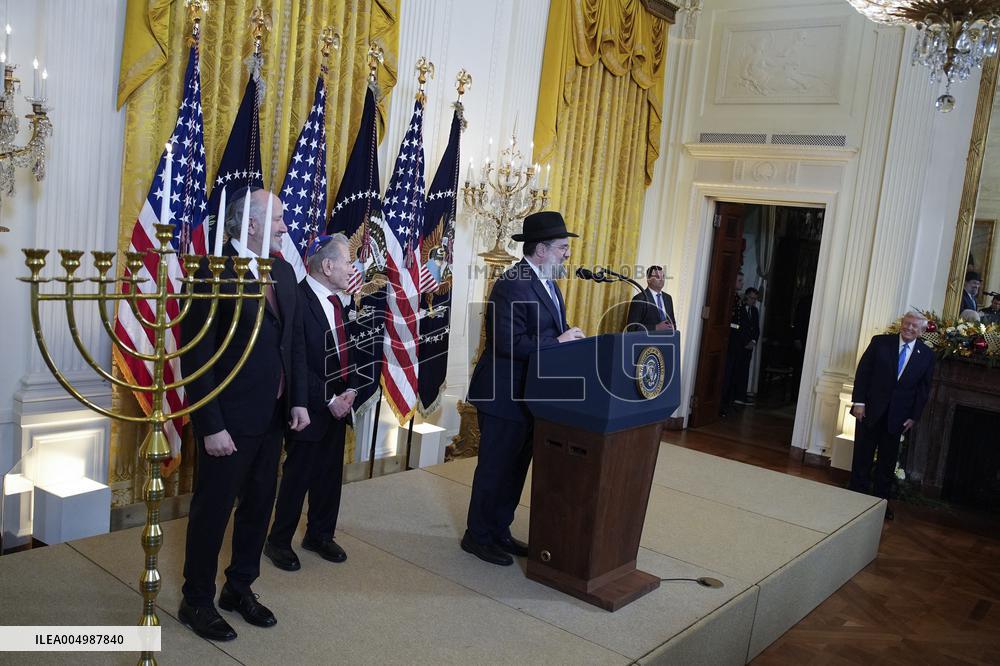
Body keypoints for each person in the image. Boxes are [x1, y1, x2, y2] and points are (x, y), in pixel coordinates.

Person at [179, 187, 309, 641]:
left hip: (273, 417)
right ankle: (196, 600)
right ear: (250, 224)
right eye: (277, 220)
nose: (285, 227)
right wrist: (210, 425)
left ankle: (239, 588)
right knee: (213, 512)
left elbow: (292, 343)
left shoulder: (286, 273)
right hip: (228, 422)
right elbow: (194, 359)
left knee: (258, 508)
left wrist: (297, 400)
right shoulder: (209, 273)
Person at [464, 210, 585, 566]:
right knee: (494, 469)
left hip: (530, 396)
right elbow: (507, 343)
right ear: (542, 249)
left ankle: (499, 530)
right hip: (503, 394)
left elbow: (548, 334)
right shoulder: (512, 283)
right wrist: (558, 342)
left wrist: (564, 340)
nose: (567, 254)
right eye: (563, 247)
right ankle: (478, 536)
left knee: (516, 469)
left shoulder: (549, 283)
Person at [265, 234, 356, 572]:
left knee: (330, 475)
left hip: (339, 405)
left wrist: (350, 392)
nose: (353, 268)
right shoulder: (298, 300)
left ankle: (319, 534)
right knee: (297, 476)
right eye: (348, 261)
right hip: (308, 405)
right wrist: (327, 398)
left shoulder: (338, 301)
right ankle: (278, 541)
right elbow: (296, 361)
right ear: (328, 265)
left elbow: (345, 352)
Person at [849, 311, 934, 520]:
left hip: (898, 417)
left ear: (922, 331)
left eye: (915, 326)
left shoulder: (927, 354)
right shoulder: (880, 342)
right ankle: (854, 501)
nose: (909, 328)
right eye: (907, 323)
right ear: (901, 324)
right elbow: (863, 373)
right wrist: (858, 402)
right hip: (869, 411)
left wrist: (914, 417)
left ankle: (879, 505)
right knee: (862, 458)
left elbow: (923, 390)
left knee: (887, 464)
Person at [720, 271, 745, 416]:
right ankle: (721, 406)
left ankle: (727, 403)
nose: (742, 283)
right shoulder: (731, 299)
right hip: (728, 342)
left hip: (735, 343)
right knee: (726, 375)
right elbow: (731, 323)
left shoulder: (737, 298)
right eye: (739, 280)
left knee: (732, 376)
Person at [731, 287, 761, 407]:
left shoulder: (755, 311)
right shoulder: (739, 309)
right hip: (739, 345)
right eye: (752, 298)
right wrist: (744, 342)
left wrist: (753, 341)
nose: (753, 301)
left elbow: (756, 328)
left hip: (749, 347)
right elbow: (736, 327)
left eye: (755, 299)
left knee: (745, 371)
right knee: (736, 370)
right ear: (746, 296)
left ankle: (741, 396)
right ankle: (733, 396)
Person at [624, 264, 676, 333]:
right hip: (647, 342)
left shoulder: (668, 298)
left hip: (667, 341)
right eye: (657, 277)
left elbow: (673, 323)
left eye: (663, 276)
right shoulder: (639, 299)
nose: (661, 279)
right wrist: (656, 327)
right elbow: (631, 328)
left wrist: (673, 328)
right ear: (648, 280)